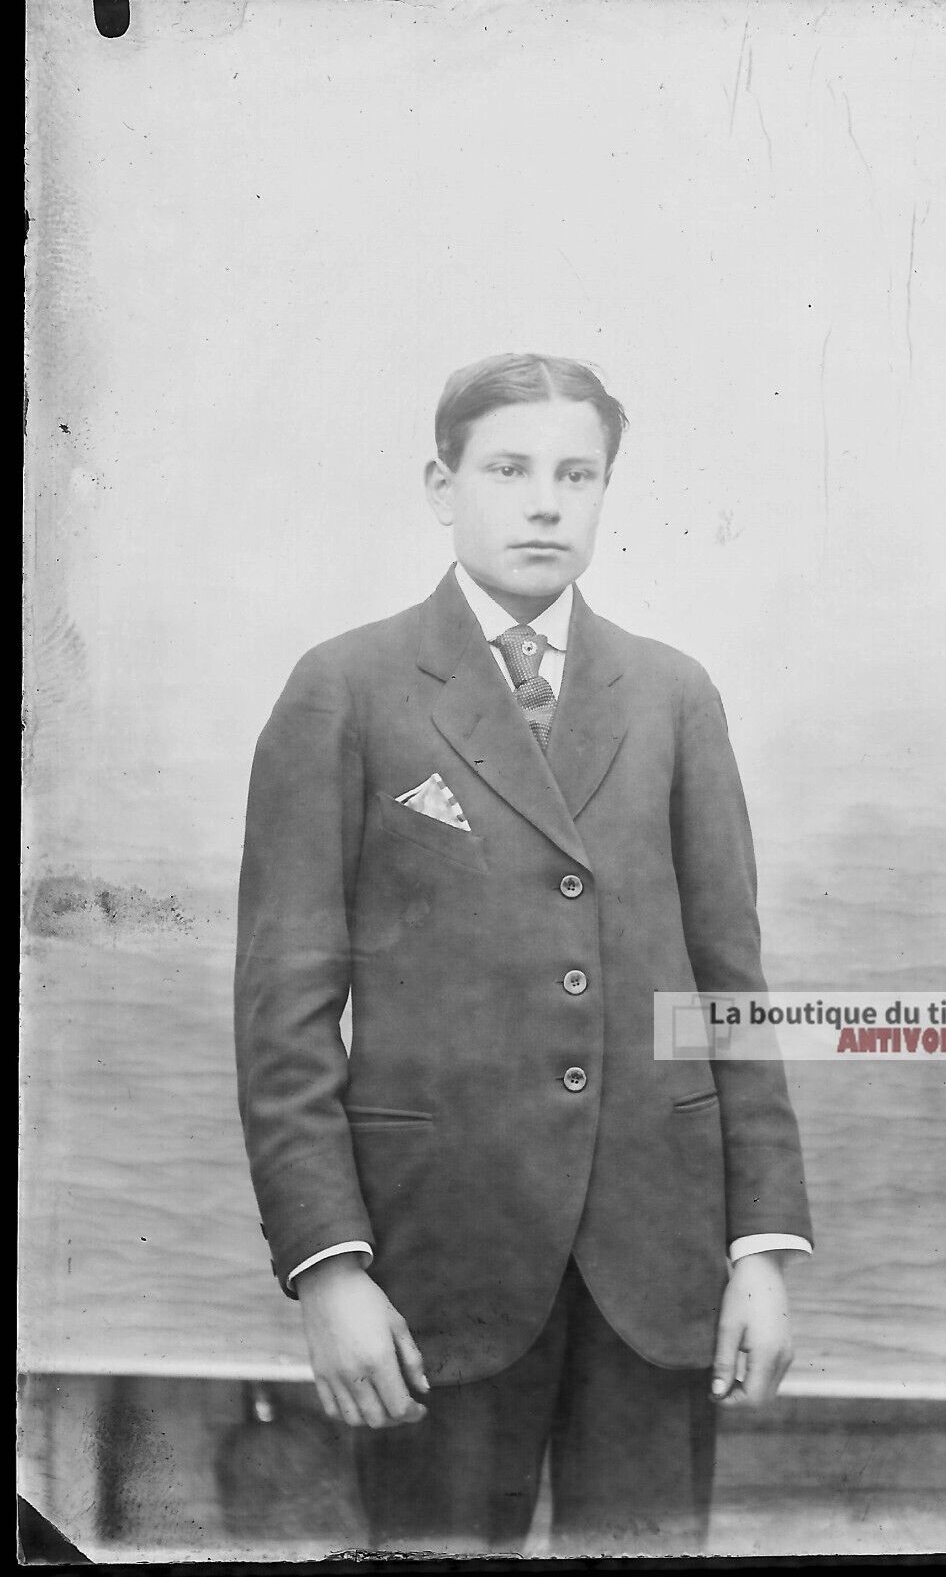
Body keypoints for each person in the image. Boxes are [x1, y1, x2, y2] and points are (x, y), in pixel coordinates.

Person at [234, 353, 814, 1555]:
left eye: (576, 474)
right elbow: (284, 1014)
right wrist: (326, 1268)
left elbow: (728, 990)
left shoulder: (671, 696)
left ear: (605, 492)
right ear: (442, 486)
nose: (544, 502)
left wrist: (759, 1247)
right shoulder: (344, 689)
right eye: (508, 470)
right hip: (432, 1267)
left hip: (653, 1273)